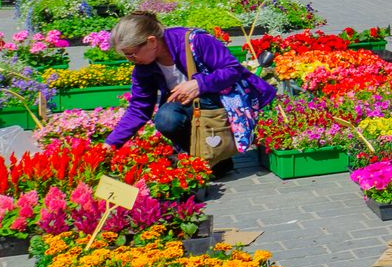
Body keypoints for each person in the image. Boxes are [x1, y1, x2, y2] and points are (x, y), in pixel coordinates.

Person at [103, 11, 278, 162]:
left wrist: (199, 84)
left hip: (224, 99)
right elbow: (139, 108)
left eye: (132, 54)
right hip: (192, 107)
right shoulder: (144, 67)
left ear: (151, 41)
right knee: (166, 118)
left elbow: (232, 70)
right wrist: (110, 144)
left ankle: (217, 154)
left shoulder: (195, 41)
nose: (130, 60)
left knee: (171, 113)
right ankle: (204, 158)